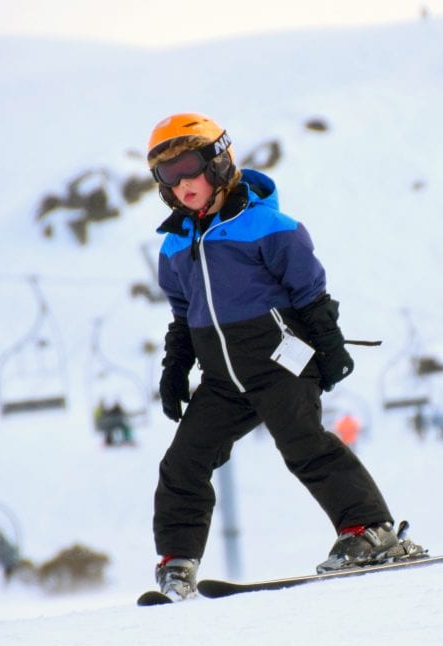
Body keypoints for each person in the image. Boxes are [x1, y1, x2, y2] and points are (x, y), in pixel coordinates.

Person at [144, 112, 425, 601]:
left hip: (279, 362)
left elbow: (310, 293)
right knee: (183, 463)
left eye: (189, 166)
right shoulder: (174, 245)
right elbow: (183, 314)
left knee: (303, 443)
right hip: (222, 379)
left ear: (218, 162)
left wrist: (330, 347)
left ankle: (369, 531)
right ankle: (177, 564)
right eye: (168, 175)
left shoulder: (269, 227)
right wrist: (174, 370)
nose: (182, 183)